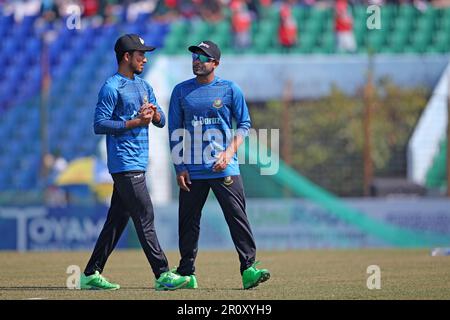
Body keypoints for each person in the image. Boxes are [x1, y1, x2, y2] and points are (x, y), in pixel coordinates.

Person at [80, 34, 189, 291]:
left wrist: (153, 114)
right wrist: (134, 122)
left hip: (138, 162)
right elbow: (99, 124)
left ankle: (90, 273)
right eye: (140, 54)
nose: (145, 58)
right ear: (126, 57)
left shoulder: (143, 85)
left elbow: (160, 120)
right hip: (124, 162)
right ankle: (163, 274)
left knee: (117, 220)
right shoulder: (111, 87)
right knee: (145, 214)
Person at [168, 40, 271, 290]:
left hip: (225, 167)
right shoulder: (180, 91)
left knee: (236, 217)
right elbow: (175, 130)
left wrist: (228, 152)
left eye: (203, 57)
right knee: (188, 221)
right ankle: (186, 273)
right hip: (192, 170)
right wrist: (179, 167)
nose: (197, 61)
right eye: (194, 56)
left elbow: (244, 124)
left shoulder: (230, 89)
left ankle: (248, 269)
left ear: (215, 63)